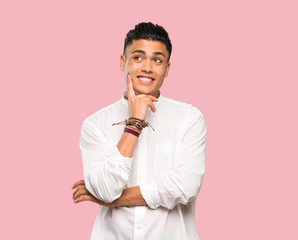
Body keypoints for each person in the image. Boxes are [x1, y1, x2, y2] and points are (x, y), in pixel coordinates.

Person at [72, 22, 207, 240]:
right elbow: (105, 190)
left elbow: (185, 187)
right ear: (122, 62)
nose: (147, 67)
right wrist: (134, 123)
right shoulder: (94, 124)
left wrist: (112, 200)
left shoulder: (189, 119)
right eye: (138, 57)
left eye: (157, 60)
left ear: (167, 68)